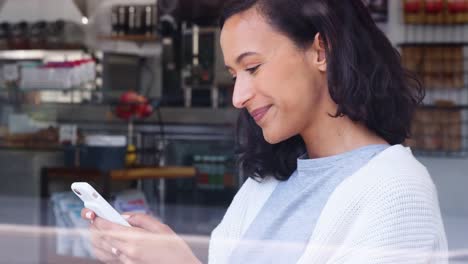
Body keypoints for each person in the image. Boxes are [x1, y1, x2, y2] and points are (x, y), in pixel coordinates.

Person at [81, 0, 448, 263]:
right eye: (233, 75)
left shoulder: (398, 193)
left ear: (321, 51)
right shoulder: (268, 183)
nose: (238, 96)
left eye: (252, 67)